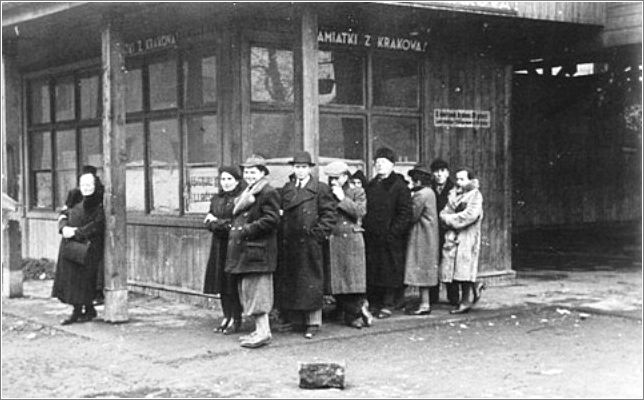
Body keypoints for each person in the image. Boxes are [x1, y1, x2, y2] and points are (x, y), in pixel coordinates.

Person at [225, 155, 281, 348]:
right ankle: (259, 330)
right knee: (249, 291)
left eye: (253, 171)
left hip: (258, 251)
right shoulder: (249, 191)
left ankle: (264, 332)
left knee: (259, 292)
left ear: (263, 173)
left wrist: (247, 230)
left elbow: (272, 219)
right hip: (246, 251)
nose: (249, 175)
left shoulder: (267, 192)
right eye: (246, 172)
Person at [279, 151, 336, 339]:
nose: (300, 171)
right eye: (297, 167)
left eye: (303, 167)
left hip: (310, 243)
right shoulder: (287, 188)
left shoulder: (320, 189)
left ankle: (313, 322)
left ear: (310, 168)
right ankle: (297, 320)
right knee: (295, 281)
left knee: (311, 282)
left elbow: (329, 215)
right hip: (291, 244)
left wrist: (317, 235)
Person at [363, 147, 412, 319]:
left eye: (384, 163)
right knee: (375, 270)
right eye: (377, 163)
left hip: (391, 238)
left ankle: (389, 303)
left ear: (392, 165)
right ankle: (375, 304)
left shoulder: (399, 187)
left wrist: (393, 234)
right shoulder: (371, 184)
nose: (380, 166)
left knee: (390, 271)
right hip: (373, 237)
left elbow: (405, 214)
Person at [52, 168, 105, 325]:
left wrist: (76, 232)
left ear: (95, 184)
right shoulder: (74, 197)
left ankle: (84, 310)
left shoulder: (100, 201)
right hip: (71, 246)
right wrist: (63, 228)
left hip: (88, 246)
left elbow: (97, 225)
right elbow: (63, 214)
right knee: (71, 278)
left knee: (84, 280)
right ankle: (82, 310)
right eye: (83, 184)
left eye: (89, 184)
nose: (86, 187)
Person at [324, 160, 373, 329]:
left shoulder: (356, 192)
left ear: (345, 177)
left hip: (351, 238)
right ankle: (355, 310)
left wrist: (342, 198)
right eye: (330, 178)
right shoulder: (326, 193)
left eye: (336, 178)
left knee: (352, 280)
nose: (332, 182)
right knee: (338, 279)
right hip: (334, 238)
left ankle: (354, 313)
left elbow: (360, 212)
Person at [203, 166, 246, 335]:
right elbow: (207, 221)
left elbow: (234, 225)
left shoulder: (241, 198)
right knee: (221, 282)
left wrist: (217, 222)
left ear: (237, 180)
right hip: (219, 246)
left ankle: (236, 319)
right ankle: (226, 316)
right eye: (223, 179)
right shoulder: (216, 199)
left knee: (232, 284)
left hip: (234, 246)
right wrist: (218, 223)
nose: (226, 183)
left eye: (229, 179)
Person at [439, 167, 485, 314]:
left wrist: (450, 219)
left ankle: (465, 301)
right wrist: (448, 217)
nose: (458, 182)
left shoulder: (475, 195)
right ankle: (475, 286)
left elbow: (470, 216)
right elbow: (444, 212)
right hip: (453, 236)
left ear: (470, 180)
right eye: (457, 179)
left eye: (462, 179)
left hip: (467, 237)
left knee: (464, 268)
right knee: (453, 268)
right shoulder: (453, 194)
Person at [404, 164, 440, 315]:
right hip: (429, 235)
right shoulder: (430, 192)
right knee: (425, 268)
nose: (412, 183)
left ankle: (424, 304)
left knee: (420, 267)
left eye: (414, 180)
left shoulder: (420, 195)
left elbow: (413, 215)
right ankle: (424, 302)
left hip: (421, 236)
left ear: (418, 181)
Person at [430, 158, 459, 306]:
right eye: (436, 171)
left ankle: (453, 296)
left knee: (449, 261)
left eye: (442, 171)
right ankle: (432, 296)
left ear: (447, 173)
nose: (439, 174)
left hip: (448, 229)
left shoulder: (453, 189)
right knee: (434, 261)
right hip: (433, 230)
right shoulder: (430, 189)